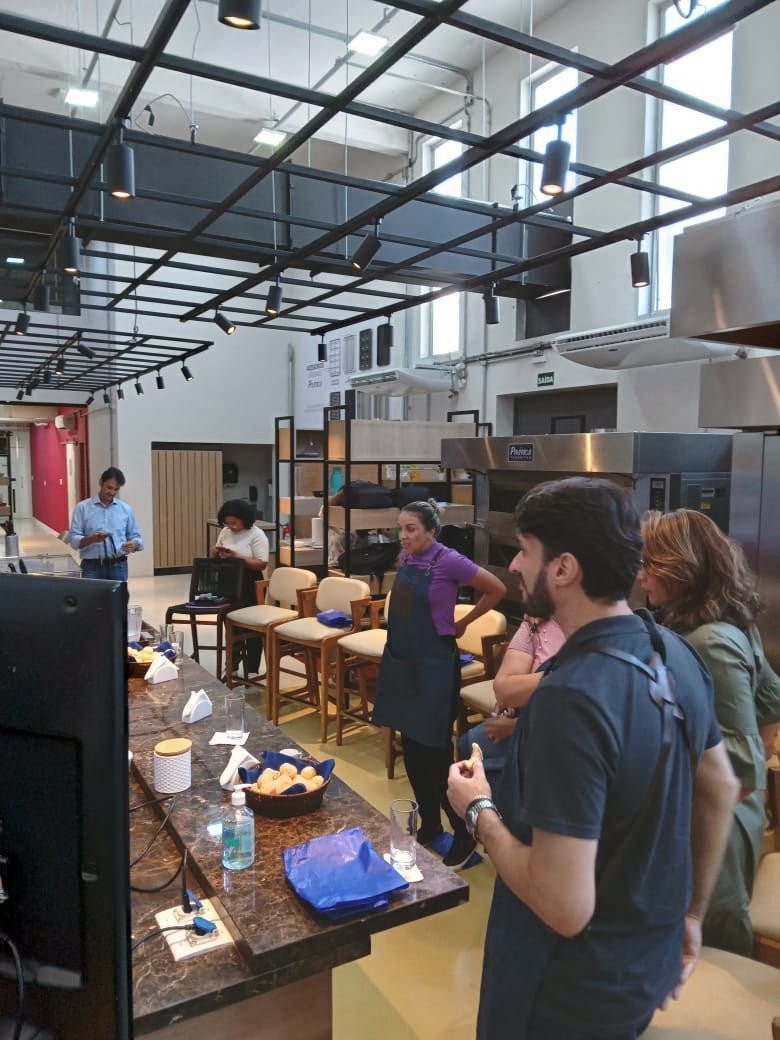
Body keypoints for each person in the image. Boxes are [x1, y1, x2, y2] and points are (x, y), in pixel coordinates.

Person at [447, 478, 739, 1040]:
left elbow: (563, 905)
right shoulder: (673, 651)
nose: (513, 567)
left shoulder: (570, 698)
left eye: (525, 550)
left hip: (566, 985)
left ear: (564, 569)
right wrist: (693, 914)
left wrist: (477, 807)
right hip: (643, 959)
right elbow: (720, 788)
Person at [639, 508, 780, 956]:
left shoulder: (709, 643)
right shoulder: (724, 623)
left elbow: (737, 768)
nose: (641, 577)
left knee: (713, 940)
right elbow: (772, 700)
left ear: (681, 568)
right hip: (731, 809)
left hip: (718, 820)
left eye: (648, 565)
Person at [373, 499, 506, 870]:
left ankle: (465, 835)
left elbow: (495, 589)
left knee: (435, 756)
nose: (404, 536)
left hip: (433, 667)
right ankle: (430, 826)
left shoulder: (448, 560)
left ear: (432, 532)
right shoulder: (408, 559)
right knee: (413, 752)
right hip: (403, 664)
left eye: (411, 529)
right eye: (400, 528)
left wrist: (464, 623)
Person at [457, 615, 565, 778]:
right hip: (527, 719)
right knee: (468, 745)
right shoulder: (537, 621)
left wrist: (518, 725)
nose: (523, 588)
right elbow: (504, 689)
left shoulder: (602, 634)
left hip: (553, 738)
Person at [212, 499, 268, 673]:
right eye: (227, 523)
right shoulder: (225, 531)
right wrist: (216, 552)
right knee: (230, 623)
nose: (231, 527)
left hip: (250, 581)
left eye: (234, 523)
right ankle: (232, 664)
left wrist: (238, 557)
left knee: (251, 625)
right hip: (228, 579)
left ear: (244, 519)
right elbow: (216, 554)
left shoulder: (256, 534)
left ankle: (252, 669)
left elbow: (261, 564)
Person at [69, 466, 143, 581]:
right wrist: (93, 539)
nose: (112, 492)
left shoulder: (126, 509)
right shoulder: (82, 508)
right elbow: (73, 540)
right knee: (90, 599)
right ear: (100, 483)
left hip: (119, 566)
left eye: (116, 489)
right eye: (109, 487)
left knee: (118, 599)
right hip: (91, 567)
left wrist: (135, 544)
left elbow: (136, 537)